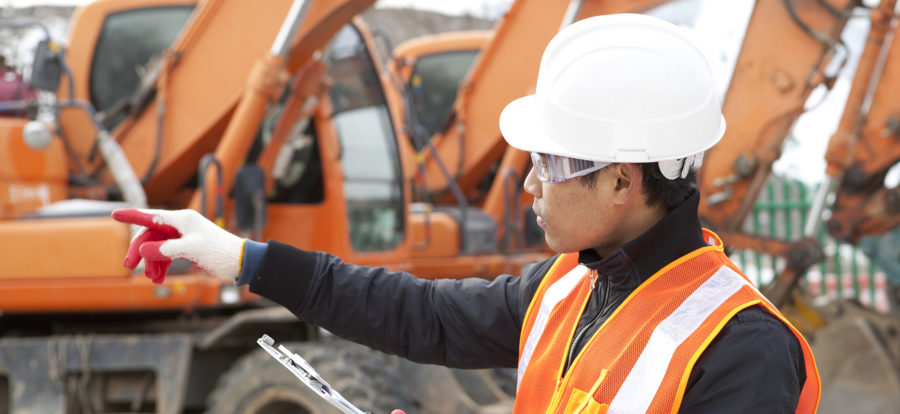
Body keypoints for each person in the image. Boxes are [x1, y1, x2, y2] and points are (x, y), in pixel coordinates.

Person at [113, 14, 820, 413]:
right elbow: (416, 313)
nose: (530, 186)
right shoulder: (569, 288)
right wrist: (239, 257)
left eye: (548, 164)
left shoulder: (741, 351)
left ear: (622, 182)